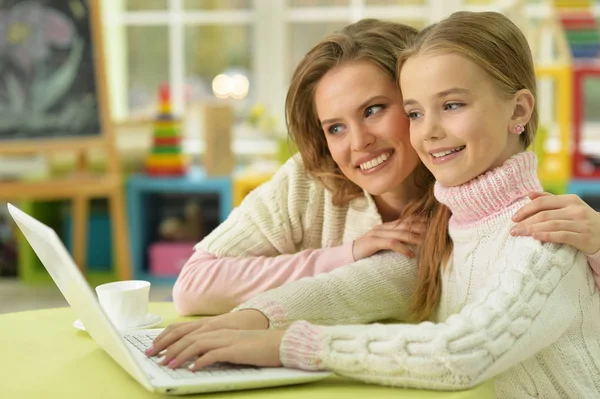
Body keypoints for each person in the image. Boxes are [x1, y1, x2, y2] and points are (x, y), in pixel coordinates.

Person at [149, 12, 600, 397]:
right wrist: (251, 320)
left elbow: (464, 351)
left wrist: (286, 344)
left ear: (518, 112)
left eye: (453, 104)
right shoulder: (461, 224)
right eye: (417, 112)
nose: (430, 131)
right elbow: (373, 281)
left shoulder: (542, 230)